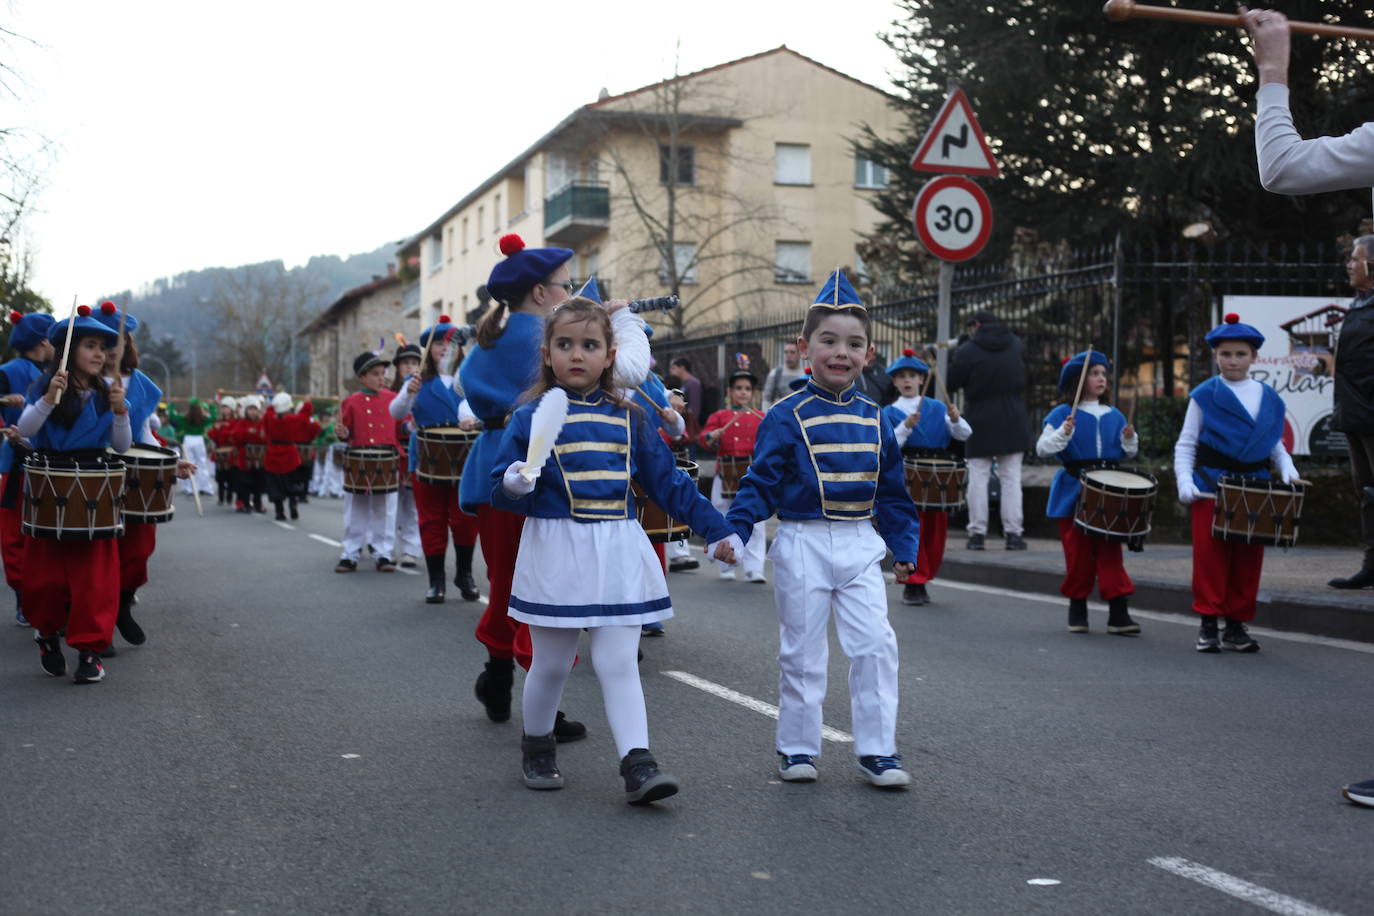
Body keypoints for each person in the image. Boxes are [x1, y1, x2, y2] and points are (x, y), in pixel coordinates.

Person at [491, 296, 739, 804]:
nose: (576, 355)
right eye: (565, 345)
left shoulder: (633, 418)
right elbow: (504, 486)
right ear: (546, 353)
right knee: (553, 663)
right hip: (557, 548)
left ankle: (638, 762)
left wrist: (716, 529)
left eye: (589, 345)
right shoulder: (529, 417)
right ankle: (537, 744)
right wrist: (515, 483)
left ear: (609, 354)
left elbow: (669, 483)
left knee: (618, 662)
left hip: (619, 548)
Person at [725, 270, 919, 789]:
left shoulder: (876, 417)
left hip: (859, 543)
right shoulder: (784, 414)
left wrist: (904, 546)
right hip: (802, 541)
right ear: (804, 346)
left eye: (853, 344)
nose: (841, 352)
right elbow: (760, 482)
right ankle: (797, 748)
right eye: (828, 340)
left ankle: (878, 751)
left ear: (869, 353)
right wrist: (736, 529)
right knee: (803, 650)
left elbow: (893, 492)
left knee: (876, 645)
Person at [459, 233, 585, 739]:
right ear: (540, 293)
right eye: (566, 286)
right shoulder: (541, 340)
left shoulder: (494, 336)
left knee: (507, 583)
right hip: (532, 471)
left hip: (491, 469)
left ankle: (496, 677)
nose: (573, 293)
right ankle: (543, 713)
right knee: (540, 589)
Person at [1174, 314, 1299, 654]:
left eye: (1240, 354)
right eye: (1226, 354)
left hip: (1255, 487)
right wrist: (1185, 480)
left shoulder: (1269, 397)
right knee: (1211, 558)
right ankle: (1208, 624)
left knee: (1247, 558)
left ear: (1254, 357)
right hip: (1211, 485)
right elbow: (1186, 444)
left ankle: (1235, 625)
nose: (1233, 361)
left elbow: (1274, 443)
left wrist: (1286, 466)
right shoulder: (1204, 395)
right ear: (1216, 356)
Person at [17, 307, 130, 683]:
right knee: (44, 579)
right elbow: (26, 429)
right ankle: (47, 634)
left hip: (94, 486)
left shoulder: (106, 393)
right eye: (90, 346)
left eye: (103, 347)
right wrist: (48, 399)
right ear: (68, 351)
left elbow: (122, 444)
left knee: (94, 580)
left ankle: (89, 650)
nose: (100, 354)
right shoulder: (46, 387)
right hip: (51, 484)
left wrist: (119, 413)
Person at [1036, 351, 1141, 635]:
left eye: (1103, 374)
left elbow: (1128, 452)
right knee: (1078, 552)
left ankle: (1119, 612)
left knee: (1110, 552)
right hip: (1074, 489)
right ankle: (1077, 607)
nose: (1101, 378)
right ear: (1077, 380)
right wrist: (1063, 434)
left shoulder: (1115, 414)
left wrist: (1129, 440)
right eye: (1094, 373)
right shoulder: (1061, 414)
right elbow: (1043, 448)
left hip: (1109, 489)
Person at [389, 321, 482, 603]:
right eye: (439, 343)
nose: (444, 348)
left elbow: (471, 406)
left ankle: (464, 574)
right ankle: (436, 580)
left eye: (450, 343)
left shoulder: (469, 378)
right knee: (431, 520)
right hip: (426, 457)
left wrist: (470, 418)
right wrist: (409, 391)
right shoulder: (416, 380)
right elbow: (396, 411)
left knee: (465, 518)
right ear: (429, 349)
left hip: (464, 455)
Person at [96, 301, 166, 651]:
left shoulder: (143, 386)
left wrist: (171, 458)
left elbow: (144, 434)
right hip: (92, 472)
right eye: (99, 343)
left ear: (126, 344)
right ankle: (100, 623)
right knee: (97, 553)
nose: (108, 351)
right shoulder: (83, 380)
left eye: (114, 342)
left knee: (139, 548)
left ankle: (123, 605)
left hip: (133, 473)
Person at [881, 348, 971, 606]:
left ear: (922, 379)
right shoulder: (889, 412)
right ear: (895, 382)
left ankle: (924, 576)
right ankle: (913, 582)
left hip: (939, 473)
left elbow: (964, 434)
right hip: (907, 474)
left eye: (913, 375)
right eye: (901, 376)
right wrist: (905, 427)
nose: (907, 380)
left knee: (935, 530)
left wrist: (955, 419)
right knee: (912, 528)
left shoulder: (938, 406)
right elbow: (888, 446)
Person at [947, 310, 1030, 551]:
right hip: (1013, 415)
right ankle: (1014, 535)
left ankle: (977, 534)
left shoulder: (968, 350)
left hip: (980, 417)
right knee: (1011, 479)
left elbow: (952, 381)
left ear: (977, 325)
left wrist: (959, 352)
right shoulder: (1015, 343)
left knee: (978, 478)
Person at [0, 310, 54, 626]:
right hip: (16, 463)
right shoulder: (7, 372)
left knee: (50, 535)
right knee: (14, 537)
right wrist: (5, 400)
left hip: (53, 464)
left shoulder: (61, 373)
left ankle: (53, 598)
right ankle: (23, 598)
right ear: (43, 341)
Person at [699, 362, 768, 583]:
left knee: (756, 522)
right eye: (738, 388)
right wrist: (713, 436)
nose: (743, 392)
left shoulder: (761, 417)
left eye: (747, 389)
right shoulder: (720, 416)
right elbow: (704, 439)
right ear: (730, 391)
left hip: (752, 476)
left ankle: (754, 568)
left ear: (753, 393)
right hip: (724, 474)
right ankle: (726, 564)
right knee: (723, 518)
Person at [335, 352, 402, 572]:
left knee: (385, 510)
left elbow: (403, 426)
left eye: (383, 374)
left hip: (387, 459)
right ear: (361, 377)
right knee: (356, 509)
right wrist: (342, 433)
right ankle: (350, 552)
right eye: (375, 374)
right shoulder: (351, 402)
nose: (381, 378)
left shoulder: (393, 399)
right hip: (360, 460)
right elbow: (345, 432)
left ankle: (383, 553)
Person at [387, 343, 424, 569]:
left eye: (414, 363)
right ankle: (386, 548)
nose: (410, 367)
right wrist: (406, 428)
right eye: (405, 363)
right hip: (393, 453)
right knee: (390, 505)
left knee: (412, 505)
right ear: (398, 367)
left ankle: (410, 549)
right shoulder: (390, 395)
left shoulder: (425, 391)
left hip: (416, 452)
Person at [166, 398, 215, 497]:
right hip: (199, 440)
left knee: (188, 464)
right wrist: (212, 406)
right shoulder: (204, 419)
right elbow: (214, 417)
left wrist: (172, 404)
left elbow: (171, 415)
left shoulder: (184, 418)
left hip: (188, 440)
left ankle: (190, 488)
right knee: (202, 464)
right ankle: (205, 487)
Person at [208, 397, 238, 506]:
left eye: (226, 407)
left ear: (232, 409)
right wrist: (216, 429)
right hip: (220, 452)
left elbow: (235, 435)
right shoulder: (218, 422)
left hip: (231, 452)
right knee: (220, 477)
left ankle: (229, 497)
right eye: (223, 407)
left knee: (231, 477)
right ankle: (221, 498)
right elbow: (213, 436)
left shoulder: (235, 421)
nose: (224, 409)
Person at [761, 342, 805, 409]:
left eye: (792, 352)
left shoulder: (805, 375)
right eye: (786, 352)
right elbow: (767, 398)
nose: (788, 355)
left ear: (799, 354)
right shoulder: (775, 373)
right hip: (779, 416)